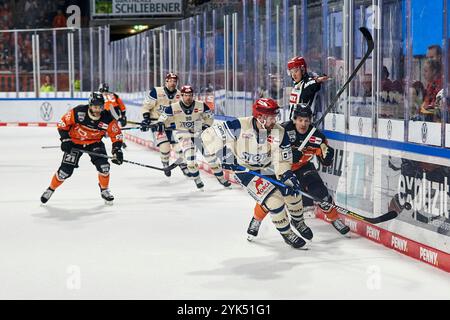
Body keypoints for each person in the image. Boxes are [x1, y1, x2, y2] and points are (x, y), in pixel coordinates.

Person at [201, 98, 307, 248]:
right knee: (274, 200)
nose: (274, 120)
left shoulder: (278, 131)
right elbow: (207, 136)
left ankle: (298, 221)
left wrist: (286, 174)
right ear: (260, 117)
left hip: (268, 167)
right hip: (245, 169)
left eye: (274, 116)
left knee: (293, 191)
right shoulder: (239, 125)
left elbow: (282, 160)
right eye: (271, 117)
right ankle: (287, 233)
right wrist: (224, 154)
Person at [246, 104, 350, 240]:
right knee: (271, 196)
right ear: (294, 120)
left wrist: (327, 156)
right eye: (300, 120)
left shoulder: (317, 136)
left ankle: (334, 218)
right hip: (280, 168)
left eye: (306, 120)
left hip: (302, 167)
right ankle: (256, 220)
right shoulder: (281, 130)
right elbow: (268, 150)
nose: (303, 124)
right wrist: (287, 154)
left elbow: (325, 160)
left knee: (319, 191)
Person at [40, 92, 124, 205]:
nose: (98, 109)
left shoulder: (107, 118)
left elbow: (116, 135)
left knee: (104, 168)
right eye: (95, 106)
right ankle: (50, 189)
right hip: (75, 142)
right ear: (89, 105)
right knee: (64, 172)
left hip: (94, 143)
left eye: (100, 106)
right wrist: (65, 139)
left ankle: (104, 190)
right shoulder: (78, 112)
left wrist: (117, 150)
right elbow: (62, 124)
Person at [155, 85, 231, 189]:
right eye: (186, 95)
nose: (188, 97)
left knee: (211, 158)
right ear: (181, 95)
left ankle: (221, 179)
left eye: (190, 95)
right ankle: (197, 180)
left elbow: (210, 118)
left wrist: (206, 125)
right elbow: (162, 118)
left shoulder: (201, 105)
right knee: (190, 160)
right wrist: (160, 123)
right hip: (183, 134)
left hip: (198, 134)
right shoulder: (173, 107)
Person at [141, 73, 188, 177]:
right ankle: (165, 163)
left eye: (174, 81)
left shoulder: (180, 95)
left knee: (178, 147)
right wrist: (146, 119)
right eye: (170, 81)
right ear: (166, 81)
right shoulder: (156, 91)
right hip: (157, 124)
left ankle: (184, 166)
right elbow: (146, 106)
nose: (172, 83)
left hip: (171, 125)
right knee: (165, 146)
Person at [287, 56, 329, 120]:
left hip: (304, 126)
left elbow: (313, 83)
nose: (293, 75)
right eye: (291, 72)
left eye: (296, 71)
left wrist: (319, 80)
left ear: (303, 70)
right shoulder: (296, 85)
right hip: (293, 124)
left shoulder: (307, 83)